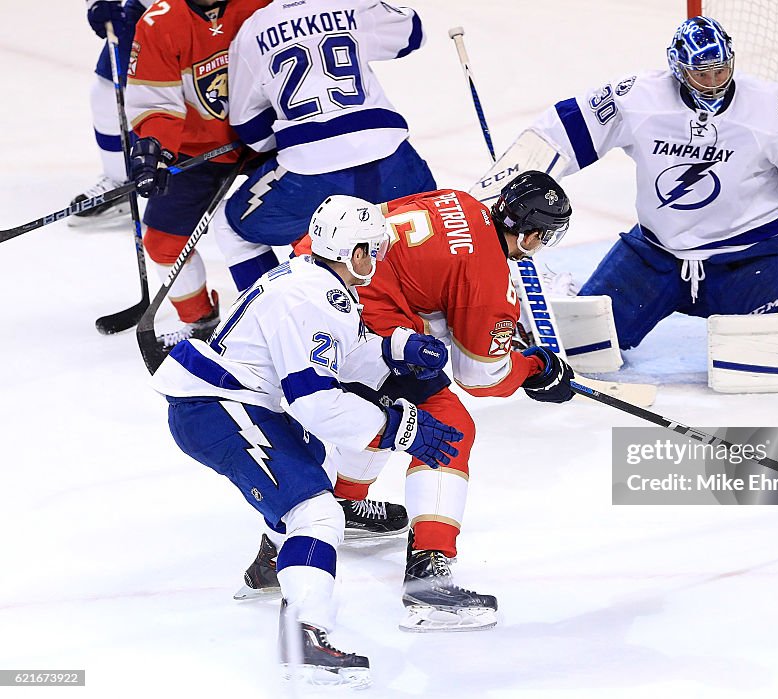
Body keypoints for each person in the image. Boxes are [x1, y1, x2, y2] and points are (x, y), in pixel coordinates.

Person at [151, 195, 464, 685]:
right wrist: (405, 428)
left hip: (229, 401)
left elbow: (345, 356)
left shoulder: (315, 279)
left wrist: (395, 348)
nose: (377, 258)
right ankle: (304, 636)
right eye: (370, 249)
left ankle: (274, 563)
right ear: (348, 249)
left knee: (310, 464)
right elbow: (315, 400)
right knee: (317, 511)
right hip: (218, 407)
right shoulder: (310, 296)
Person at [274, 170, 576, 632]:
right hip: (357, 310)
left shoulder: (458, 200)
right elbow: (480, 376)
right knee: (448, 427)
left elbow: (421, 276)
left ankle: (344, 501)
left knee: (386, 408)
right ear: (532, 235)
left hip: (313, 275)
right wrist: (534, 369)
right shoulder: (489, 272)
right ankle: (427, 579)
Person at [482, 16, 778, 350]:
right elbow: (562, 132)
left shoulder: (768, 107)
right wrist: (506, 185)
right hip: (654, 256)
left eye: (720, 70)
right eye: (700, 73)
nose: (713, 81)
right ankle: (562, 296)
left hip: (748, 259)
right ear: (677, 68)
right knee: (581, 342)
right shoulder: (639, 97)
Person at [210, 0, 436, 294]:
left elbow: (250, 128)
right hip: (393, 158)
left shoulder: (252, 31)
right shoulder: (344, 3)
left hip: (310, 173)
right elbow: (413, 34)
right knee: (430, 236)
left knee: (231, 226)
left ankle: (277, 317)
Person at [124, 0, 271, 347]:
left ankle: (312, 314)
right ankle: (201, 321)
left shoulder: (263, 4)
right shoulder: (161, 22)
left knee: (306, 225)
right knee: (162, 242)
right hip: (198, 148)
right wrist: (154, 149)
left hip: (269, 138)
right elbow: (155, 102)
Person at [68, 0, 153, 227]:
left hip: (207, 13)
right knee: (106, 92)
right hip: (146, 10)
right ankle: (119, 181)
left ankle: (191, 181)